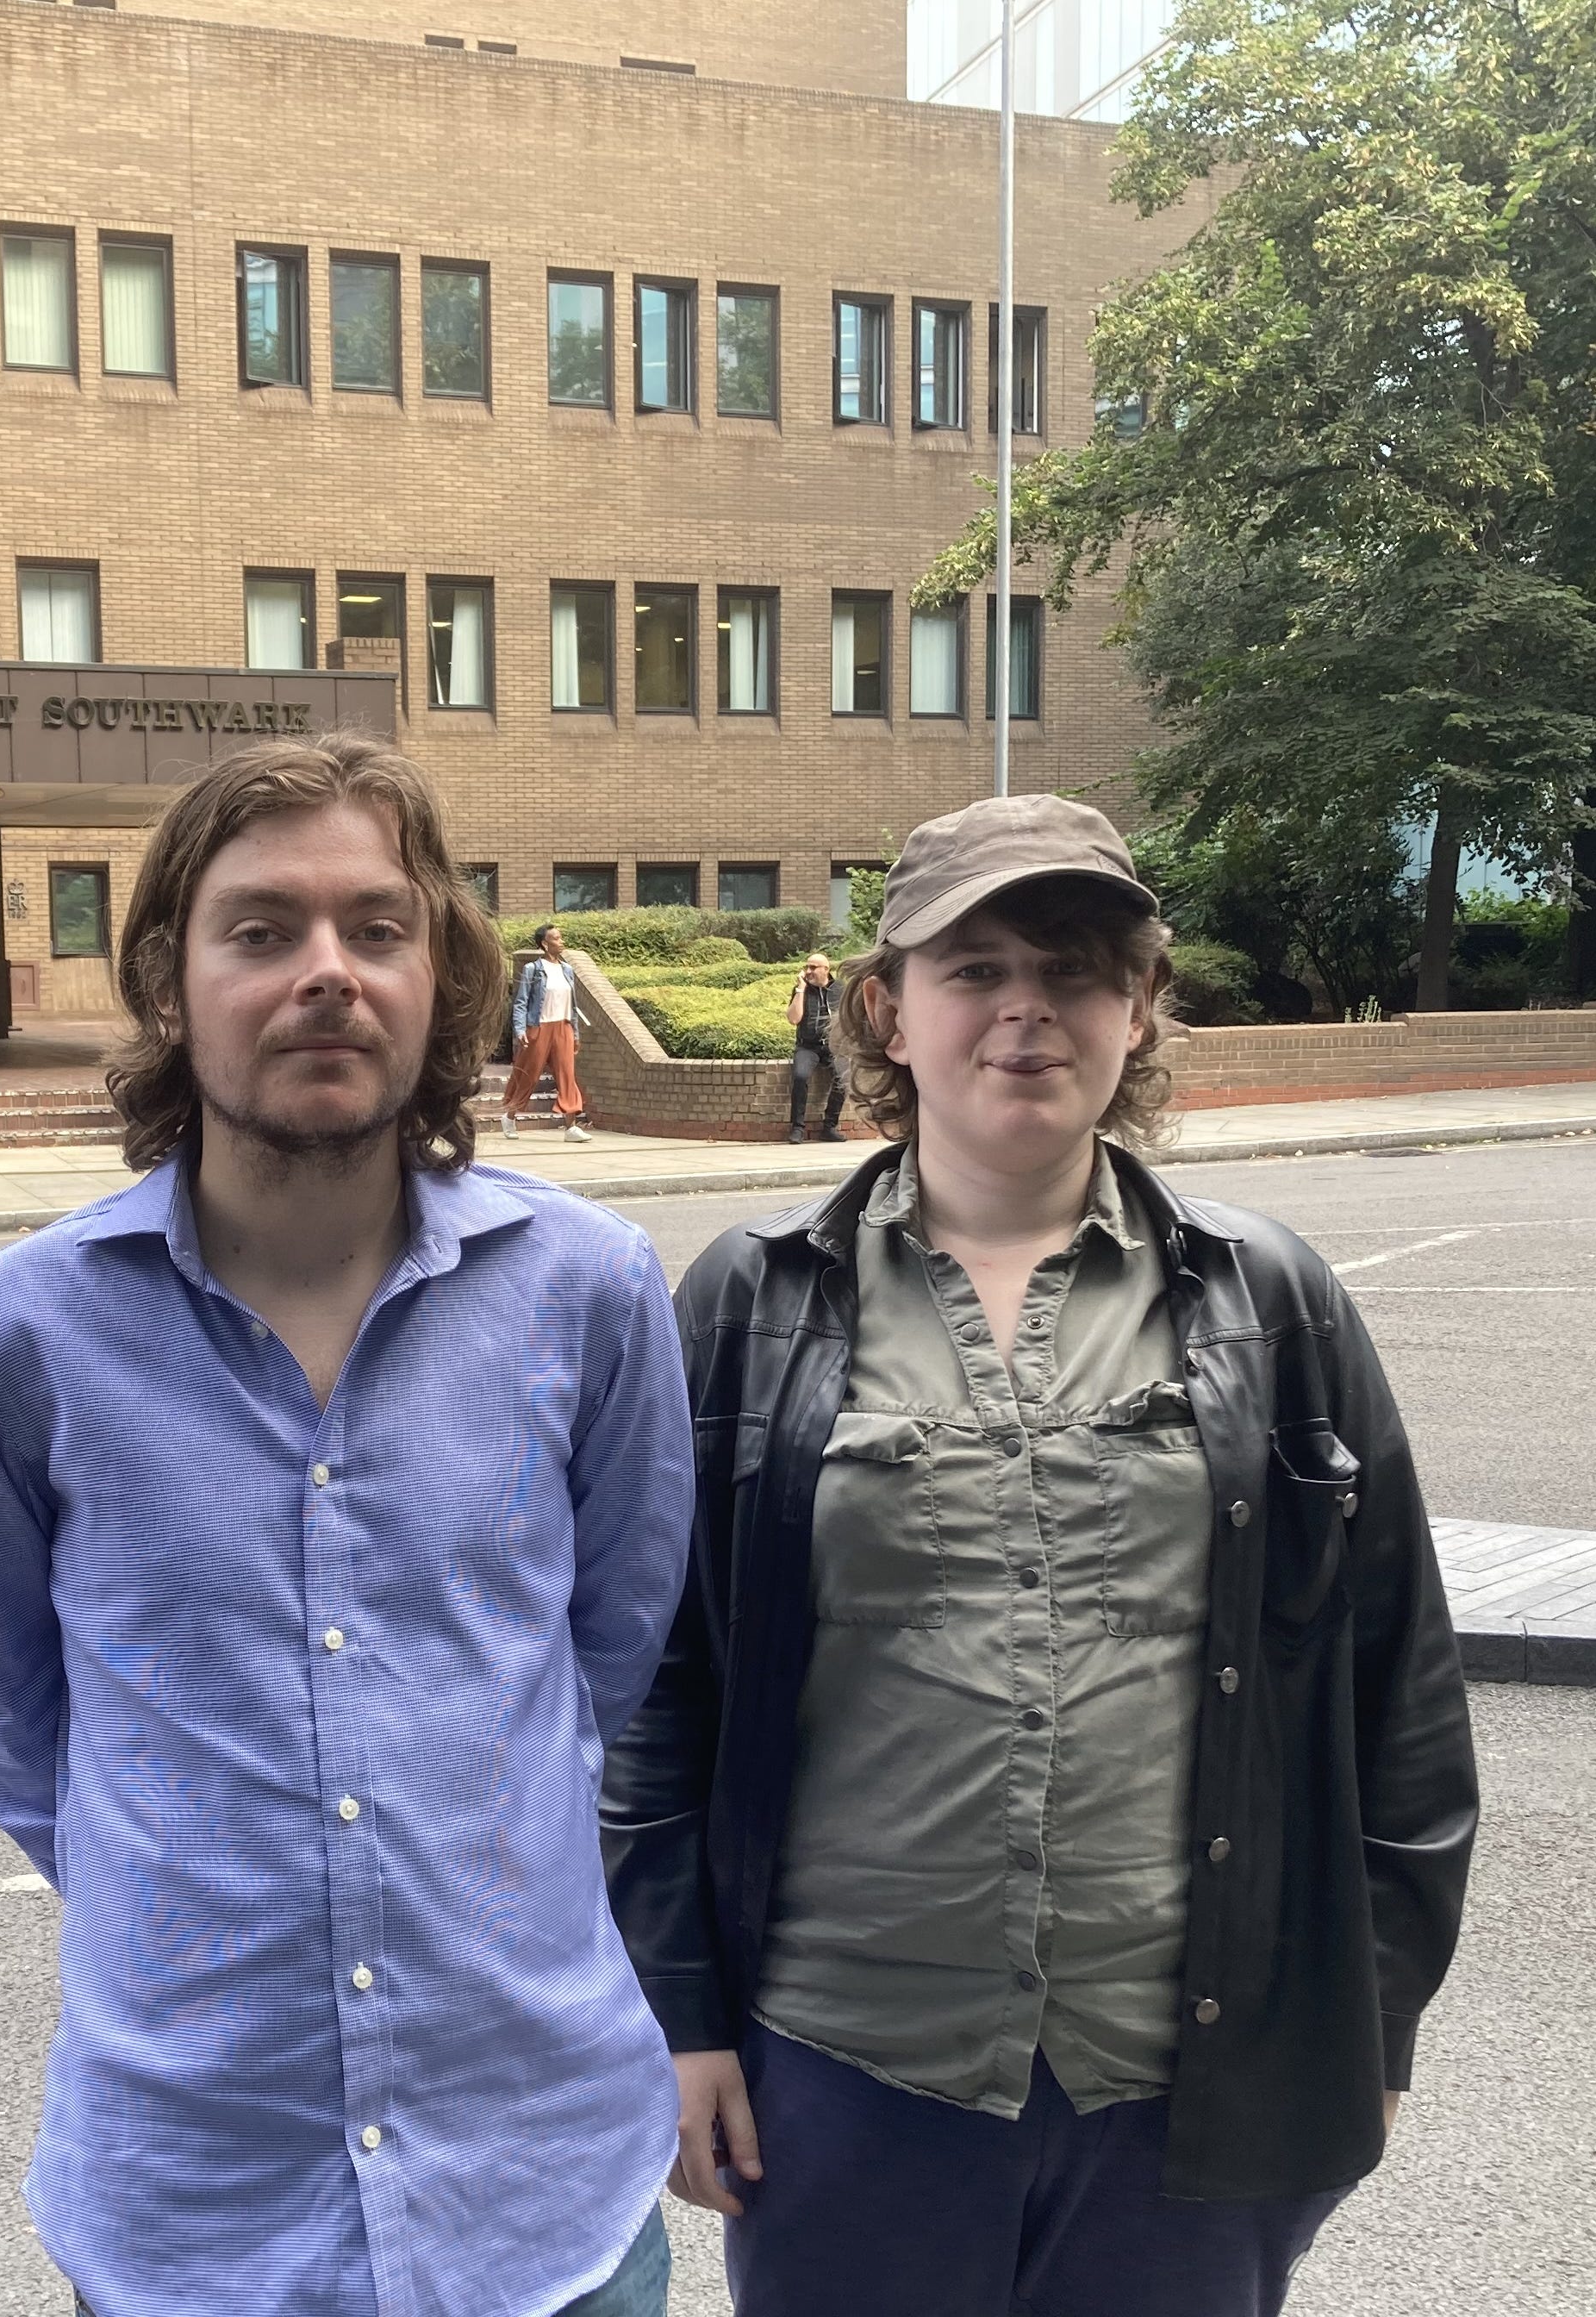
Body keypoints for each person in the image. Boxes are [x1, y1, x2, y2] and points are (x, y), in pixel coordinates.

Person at [602, 793, 1479, 2317]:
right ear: (886, 1008)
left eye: (1074, 970)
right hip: (845, 2069)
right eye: (974, 967)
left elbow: (1394, 1687)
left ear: (1140, 1005)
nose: (1025, 1010)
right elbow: (655, 1690)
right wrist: (680, 2014)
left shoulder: (1267, 1301)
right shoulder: (753, 1301)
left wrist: (1370, 2025)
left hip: (1182, 2083)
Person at [0, 735, 692, 2317]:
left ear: (439, 971)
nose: (325, 972)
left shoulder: (592, 1293)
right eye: (261, 930)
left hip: (541, 2202)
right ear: (168, 978)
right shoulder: (11, 1335)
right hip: (193, 2209)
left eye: (375, 927)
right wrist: (197, 1882)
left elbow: (611, 1656)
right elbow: (7, 1725)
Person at [503, 918, 595, 1140]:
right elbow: (521, 1002)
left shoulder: (567, 970)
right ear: (545, 944)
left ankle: (571, 1127)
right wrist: (520, 1029)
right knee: (528, 1074)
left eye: (561, 937)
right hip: (539, 1027)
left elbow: (573, 1005)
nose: (561, 941)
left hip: (563, 1027)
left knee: (567, 1076)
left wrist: (575, 1032)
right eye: (556, 938)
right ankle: (510, 1116)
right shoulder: (533, 969)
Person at [783, 952, 845, 1142]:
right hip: (807, 1047)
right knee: (800, 1077)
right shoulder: (801, 989)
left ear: (826, 969)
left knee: (844, 1077)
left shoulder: (840, 989)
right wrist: (801, 990)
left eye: (813, 967)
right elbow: (794, 1019)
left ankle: (829, 1127)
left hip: (833, 1046)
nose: (808, 971)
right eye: (807, 967)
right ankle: (797, 1128)